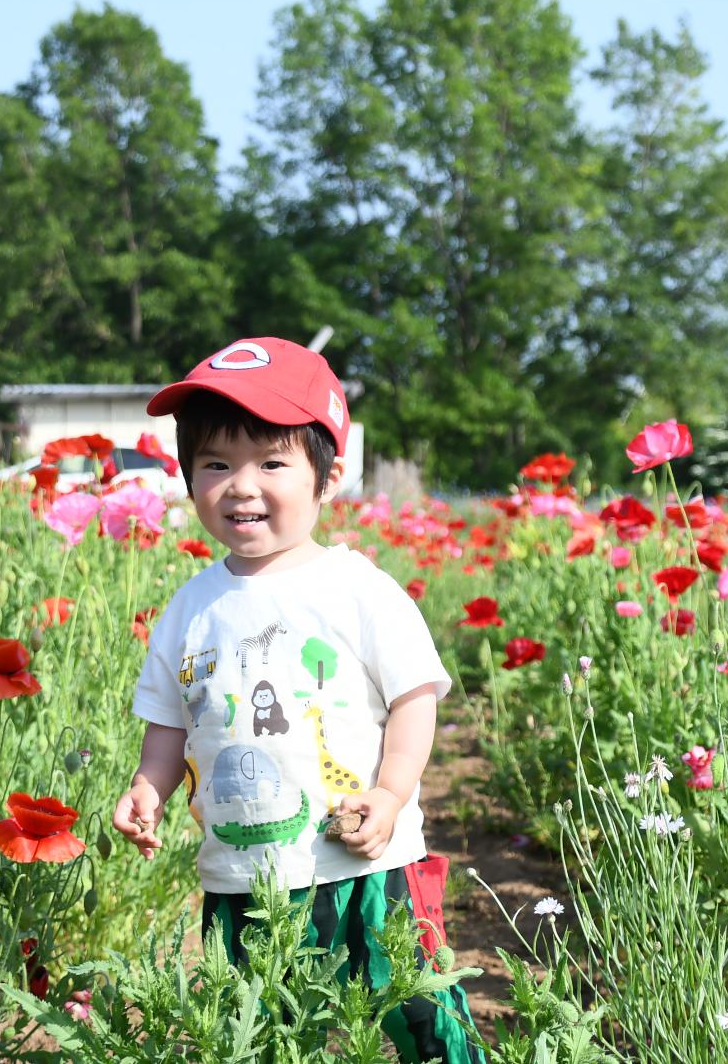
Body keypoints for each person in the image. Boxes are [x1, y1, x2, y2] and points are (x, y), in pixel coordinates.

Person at [111, 336, 486, 1062]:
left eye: (271, 462)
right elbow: (168, 721)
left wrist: (390, 792)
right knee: (263, 1029)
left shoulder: (358, 589)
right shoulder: (190, 607)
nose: (241, 485)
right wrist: (146, 786)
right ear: (190, 478)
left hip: (367, 860)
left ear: (330, 473)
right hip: (243, 876)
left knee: (414, 1001)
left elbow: (415, 696)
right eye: (215, 464)